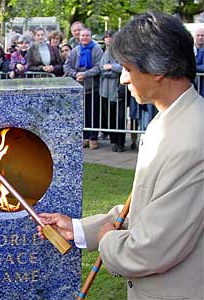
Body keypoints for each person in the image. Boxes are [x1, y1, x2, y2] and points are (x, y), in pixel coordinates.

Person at [37, 12, 204, 300]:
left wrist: (107, 241)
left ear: (158, 69)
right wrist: (79, 229)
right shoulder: (169, 121)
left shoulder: (192, 140)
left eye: (128, 68)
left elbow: (151, 249)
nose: (123, 78)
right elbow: (142, 208)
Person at [64, 28, 103, 150]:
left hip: (93, 86)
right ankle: (84, 137)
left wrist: (85, 74)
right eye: (82, 36)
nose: (84, 37)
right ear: (79, 37)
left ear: (90, 36)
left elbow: (99, 66)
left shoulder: (96, 49)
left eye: (87, 35)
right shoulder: (75, 50)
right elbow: (67, 66)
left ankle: (93, 138)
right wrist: (75, 74)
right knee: (82, 113)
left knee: (93, 113)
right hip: (79, 87)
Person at [99, 30, 125, 152]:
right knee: (109, 116)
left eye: (111, 37)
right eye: (106, 37)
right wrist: (109, 70)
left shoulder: (121, 51)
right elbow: (101, 68)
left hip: (117, 89)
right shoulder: (104, 52)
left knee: (119, 117)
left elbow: (123, 67)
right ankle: (113, 141)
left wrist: (111, 67)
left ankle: (120, 142)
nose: (108, 39)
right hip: (105, 89)